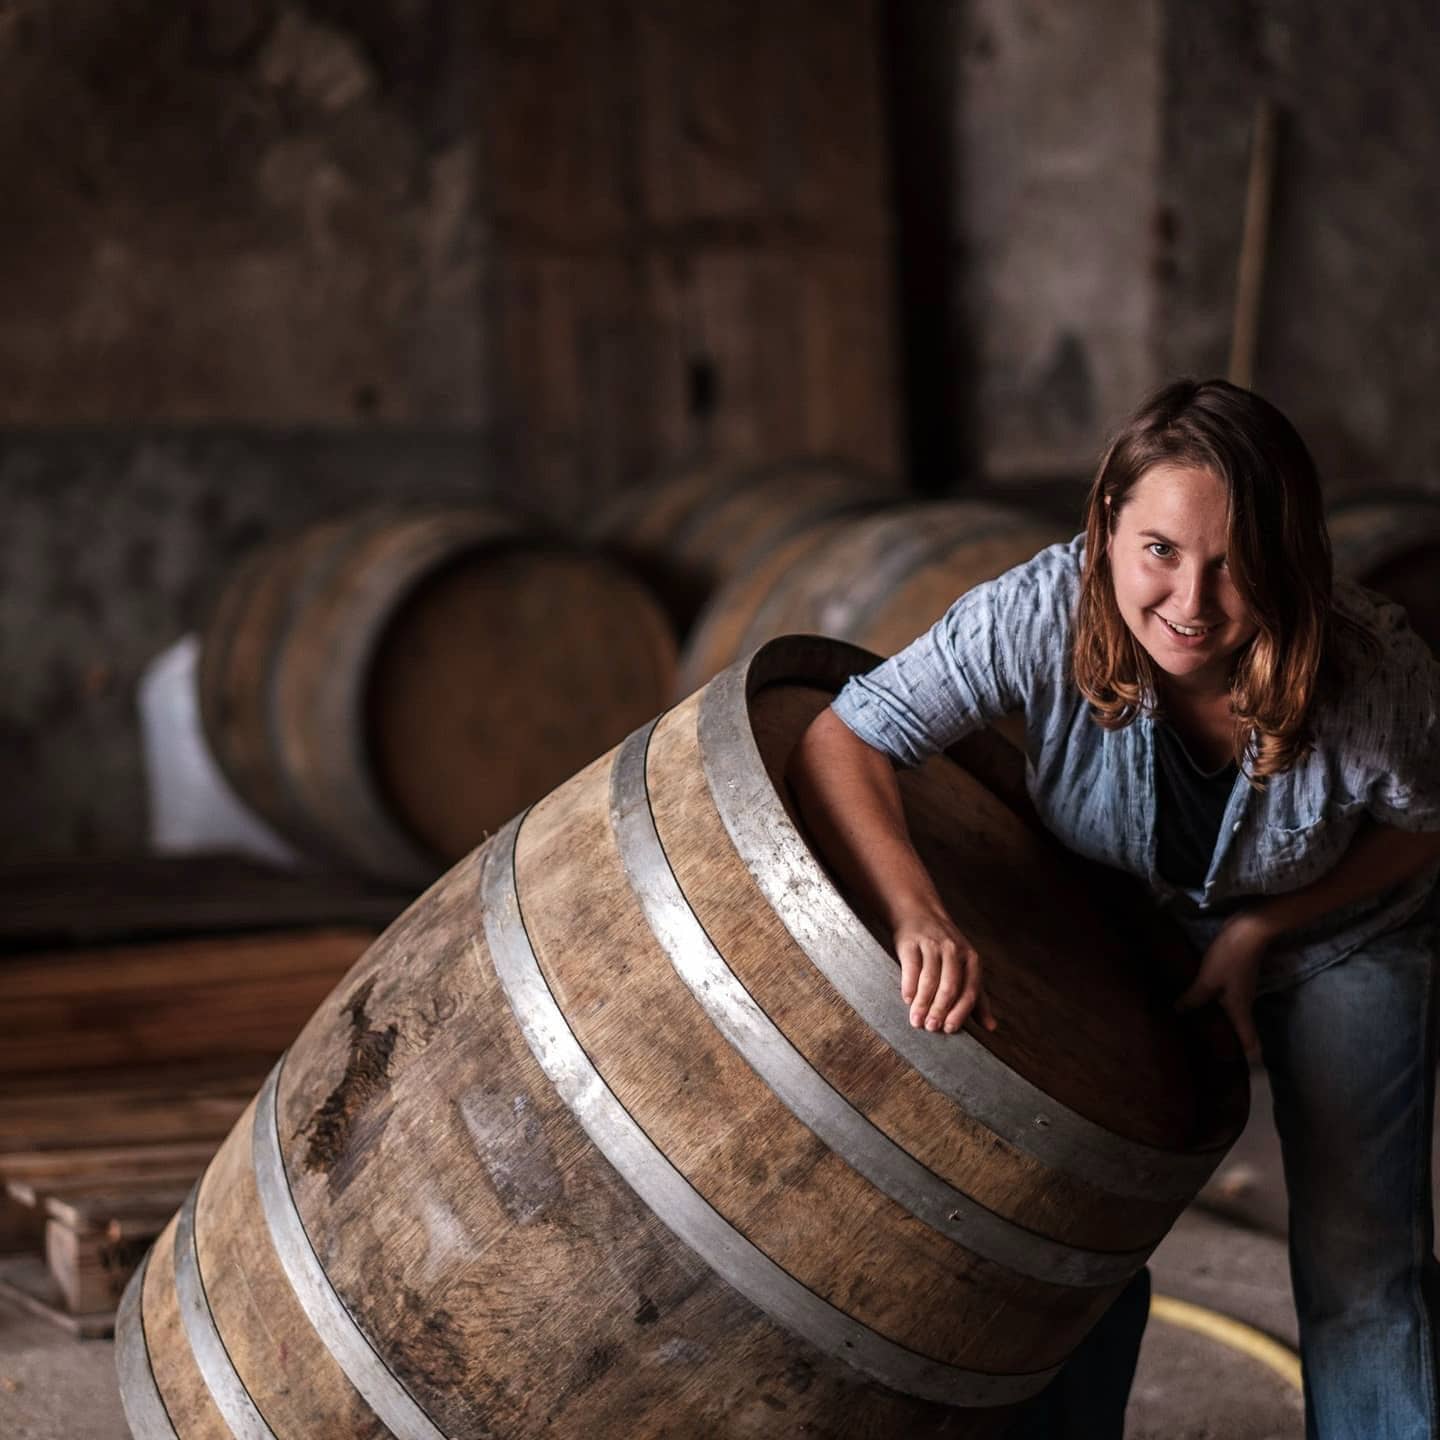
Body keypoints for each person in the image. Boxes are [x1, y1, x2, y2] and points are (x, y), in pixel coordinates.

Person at [786, 378, 1440, 1439]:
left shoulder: (1370, 673)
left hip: (1334, 934)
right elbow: (848, 735)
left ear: (1291, 558)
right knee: (1073, 1245)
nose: (1193, 601)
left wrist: (1263, 928)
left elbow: (1428, 820)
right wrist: (918, 915)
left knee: (1362, 1261)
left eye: (1235, 564)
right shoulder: (1043, 608)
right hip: (1118, 928)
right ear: (1105, 531)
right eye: (1161, 552)